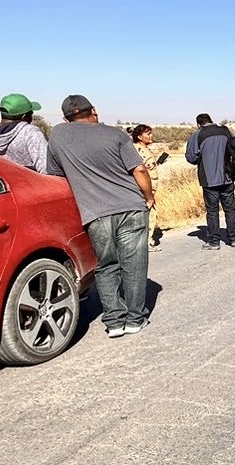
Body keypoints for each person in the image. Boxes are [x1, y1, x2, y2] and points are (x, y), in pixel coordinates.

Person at [47, 95, 155, 338]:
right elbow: (139, 169)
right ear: (93, 111)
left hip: (94, 212)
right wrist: (148, 197)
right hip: (130, 207)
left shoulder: (58, 135)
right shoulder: (114, 134)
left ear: (66, 118)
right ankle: (135, 318)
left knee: (106, 265)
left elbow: (55, 175)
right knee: (134, 264)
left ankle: (114, 321)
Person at [185, 113, 235, 250]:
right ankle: (234, 239)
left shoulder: (198, 135)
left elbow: (191, 157)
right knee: (230, 209)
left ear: (199, 124)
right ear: (211, 121)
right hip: (227, 178)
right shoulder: (226, 131)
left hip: (209, 180)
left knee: (212, 211)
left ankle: (214, 242)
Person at [0, 93, 48, 173]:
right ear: (24, 117)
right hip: (27, 184)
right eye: (31, 114)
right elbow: (46, 168)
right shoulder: (30, 133)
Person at [131, 124, 166, 251]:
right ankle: (146, 242)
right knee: (149, 214)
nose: (151, 136)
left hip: (150, 187)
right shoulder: (138, 150)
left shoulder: (143, 149)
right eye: (148, 134)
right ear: (140, 136)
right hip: (145, 188)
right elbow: (140, 170)